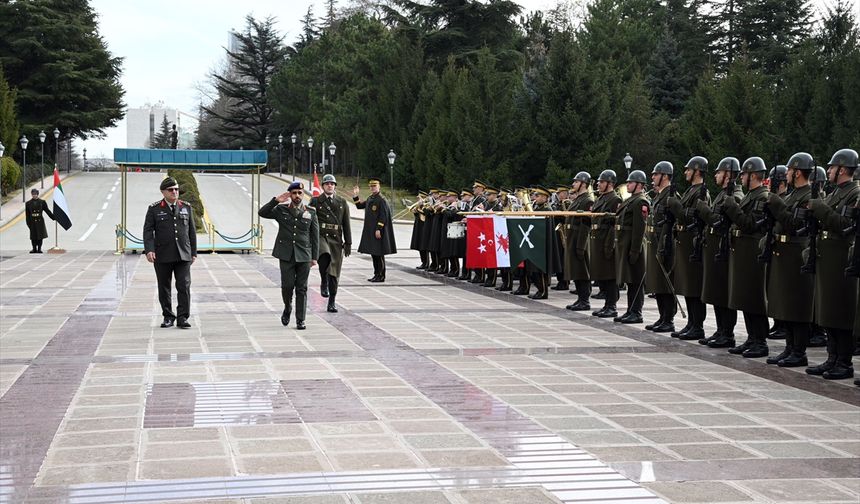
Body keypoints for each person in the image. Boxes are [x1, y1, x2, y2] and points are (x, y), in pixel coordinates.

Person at [805, 148, 859, 379]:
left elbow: (845, 225)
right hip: (827, 256)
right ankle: (832, 357)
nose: (828, 171)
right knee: (828, 310)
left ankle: (844, 362)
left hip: (841, 256)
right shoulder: (836, 192)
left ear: (843, 169)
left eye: (832, 167)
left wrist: (820, 208)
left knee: (840, 311)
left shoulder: (854, 193)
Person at [762, 154, 814, 367]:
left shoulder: (808, 195)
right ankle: (790, 347)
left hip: (796, 252)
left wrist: (775, 203)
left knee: (796, 304)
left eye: (789, 171)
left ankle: (799, 351)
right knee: (786, 304)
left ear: (798, 172)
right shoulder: (794, 195)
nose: (786, 175)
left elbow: (794, 224)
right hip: (784, 252)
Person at [722, 157, 771, 358]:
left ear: (752, 175)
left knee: (755, 298)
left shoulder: (762, 197)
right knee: (746, 298)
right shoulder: (752, 195)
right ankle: (752, 338)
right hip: (744, 252)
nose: (741, 177)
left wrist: (732, 207)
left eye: (744, 174)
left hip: (753, 253)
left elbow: (750, 224)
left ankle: (760, 341)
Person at [695, 157, 743, 348]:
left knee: (723, 292)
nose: (716, 175)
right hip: (715, 248)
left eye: (719, 172)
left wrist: (704, 210)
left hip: (724, 249)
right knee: (716, 292)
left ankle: (727, 332)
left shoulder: (735, 195)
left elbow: (720, 222)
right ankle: (720, 329)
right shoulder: (722, 194)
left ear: (728, 174)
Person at [259, 181, 319, 330]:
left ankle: (300, 320)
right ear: (290, 195)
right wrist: (275, 201)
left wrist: (314, 257)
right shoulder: (281, 209)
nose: (297, 196)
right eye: (294, 193)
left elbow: (315, 236)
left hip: (304, 255)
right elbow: (262, 212)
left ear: (303, 195)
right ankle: (287, 306)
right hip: (286, 254)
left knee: (302, 288)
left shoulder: (311, 211)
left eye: (299, 193)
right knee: (287, 286)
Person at [666, 156, 710, 340]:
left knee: (694, 286)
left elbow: (694, 217)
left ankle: (697, 325)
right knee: (686, 286)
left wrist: (676, 207)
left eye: (688, 169)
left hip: (693, 242)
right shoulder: (690, 190)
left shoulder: (701, 192)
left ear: (697, 171)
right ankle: (691, 322)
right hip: (684, 242)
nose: (685, 172)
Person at [143, 177, 197, 329]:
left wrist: (193, 252)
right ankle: (168, 316)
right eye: (171, 190)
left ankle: (183, 317)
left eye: (176, 189)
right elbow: (148, 231)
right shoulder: (154, 208)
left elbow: (191, 231)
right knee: (164, 286)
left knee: (184, 285)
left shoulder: (186, 207)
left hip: (183, 254)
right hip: (163, 254)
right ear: (163, 192)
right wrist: (149, 250)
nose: (174, 192)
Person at [309, 174, 352, 313]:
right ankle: (323, 281)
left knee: (334, 273)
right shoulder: (316, 201)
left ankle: (332, 302)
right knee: (324, 254)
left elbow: (346, 224)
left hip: (336, 239)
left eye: (332, 184)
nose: (329, 186)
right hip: (320, 235)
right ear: (323, 186)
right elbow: (308, 219)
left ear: (335, 187)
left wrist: (348, 243)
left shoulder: (342, 202)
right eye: (327, 184)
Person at [644, 161, 677, 332]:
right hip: (656, 243)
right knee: (658, 282)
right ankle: (662, 316)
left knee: (665, 283)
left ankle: (668, 319)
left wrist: (665, 245)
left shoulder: (671, 196)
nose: (653, 177)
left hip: (665, 244)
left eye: (656, 174)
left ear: (664, 176)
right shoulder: (659, 196)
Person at [613, 170, 649, 323]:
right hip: (625, 244)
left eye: (631, 182)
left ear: (639, 185)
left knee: (635, 280)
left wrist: (635, 250)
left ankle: (636, 312)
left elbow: (639, 228)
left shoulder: (640, 201)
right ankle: (630, 310)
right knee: (630, 280)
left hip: (633, 246)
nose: (628, 185)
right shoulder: (631, 200)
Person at [589, 170, 623, 318]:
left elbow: (615, 222)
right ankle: (606, 305)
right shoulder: (601, 198)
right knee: (603, 274)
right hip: (599, 238)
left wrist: (610, 244)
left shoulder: (614, 199)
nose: (598, 184)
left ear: (610, 183)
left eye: (601, 182)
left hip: (607, 239)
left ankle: (612, 305)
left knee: (610, 275)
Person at [353, 177, 396, 282]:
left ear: (379, 186)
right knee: (374, 253)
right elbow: (359, 206)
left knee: (379, 253)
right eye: (371, 186)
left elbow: (383, 216)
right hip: (371, 230)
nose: (373, 188)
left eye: (374, 186)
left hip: (378, 231)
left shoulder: (381, 199)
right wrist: (355, 196)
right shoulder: (371, 198)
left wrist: (378, 229)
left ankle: (381, 275)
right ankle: (376, 274)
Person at [565, 172, 595, 310]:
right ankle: (580, 299)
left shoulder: (587, 200)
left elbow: (586, 224)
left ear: (583, 184)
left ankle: (585, 300)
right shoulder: (578, 199)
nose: (573, 184)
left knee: (582, 270)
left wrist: (581, 245)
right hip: (573, 237)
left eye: (576, 182)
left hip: (579, 238)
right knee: (576, 269)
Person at [25, 188, 55, 253]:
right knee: (33, 236)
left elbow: (47, 211)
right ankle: (34, 249)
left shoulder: (42, 202)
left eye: (35, 194)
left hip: (40, 221)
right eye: (33, 194)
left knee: (40, 236)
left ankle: (39, 249)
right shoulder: (28, 203)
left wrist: (53, 217)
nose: (34, 195)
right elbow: (27, 215)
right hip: (32, 221)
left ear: (37, 194)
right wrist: (28, 223)